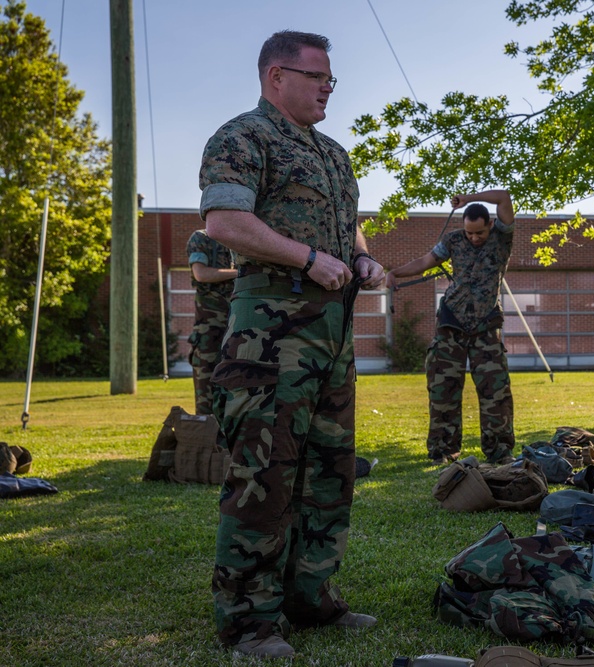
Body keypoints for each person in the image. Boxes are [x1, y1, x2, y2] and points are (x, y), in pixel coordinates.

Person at [198, 30, 385, 659]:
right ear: (277, 77)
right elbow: (225, 223)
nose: (329, 88)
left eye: (332, 79)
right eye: (318, 77)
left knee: (330, 473)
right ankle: (249, 620)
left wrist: (361, 261)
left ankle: (310, 598)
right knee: (265, 473)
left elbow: (349, 230)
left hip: (331, 335)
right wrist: (306, 258)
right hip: (269, 338)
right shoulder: (242, 138)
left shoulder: (334, 154)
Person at [386, 190, 516, 465]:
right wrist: (395, 272)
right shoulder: (453, 240)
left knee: (496, 390)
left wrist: (468, 198)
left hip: (485, 324)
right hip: (450, 322)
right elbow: (425, 262)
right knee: (443, 389)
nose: (474, 238)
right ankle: (443, 451)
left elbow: (504, 197)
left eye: (478, 232)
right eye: (469, 233)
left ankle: (499, 452)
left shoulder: (502, 238)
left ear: (490, 224)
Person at [185, 229, 236, 414]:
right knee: (206, 402)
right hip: (210, 332)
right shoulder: (201, 238)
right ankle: (204, 441)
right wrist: (238, 273)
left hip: (238, 329)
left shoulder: (240, 239)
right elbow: (201, 274)